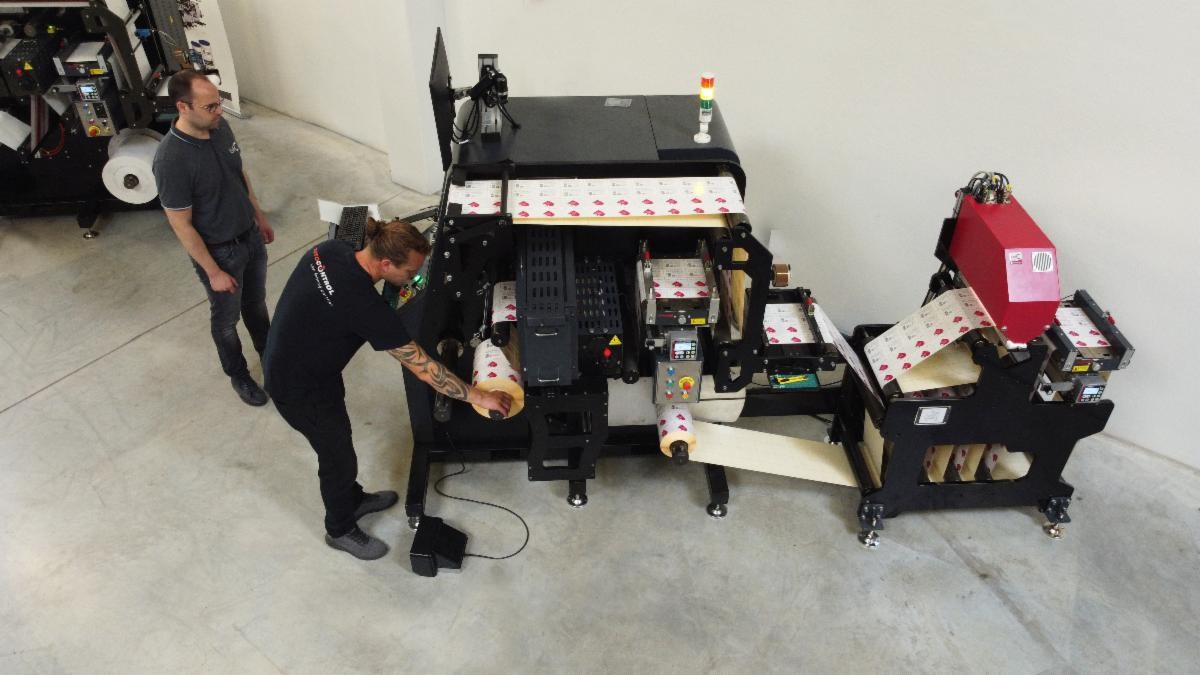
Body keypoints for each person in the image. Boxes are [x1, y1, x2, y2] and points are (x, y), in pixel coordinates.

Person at [263, 217, 512, 560]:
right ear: (385, 264)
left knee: (340, 438)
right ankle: (340, 529)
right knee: (337, 456)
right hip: (297, 386)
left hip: (308, 364)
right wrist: (481, 396)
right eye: (409, 273)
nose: (413, 278)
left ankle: (353, 499)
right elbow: (423, 368)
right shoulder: (365, 306)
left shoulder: (330, 251)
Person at [153, 70, 275, 407]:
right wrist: (213, 271)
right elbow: (181, 224)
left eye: (218, 103)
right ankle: (239, 374)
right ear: (183, 107)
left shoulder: (219, 127)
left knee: (256, 305)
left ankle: (271, 359)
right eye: (210, 107)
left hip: (250, 237)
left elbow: (239, 174)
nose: (219, 111)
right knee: (226, 321)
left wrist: (259, 216)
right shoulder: (170, 160)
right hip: (221, 254)